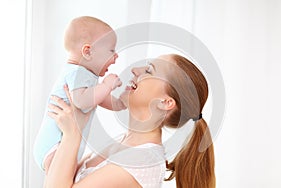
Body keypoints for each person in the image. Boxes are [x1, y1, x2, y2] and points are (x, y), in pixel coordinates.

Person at [44, 54, 215, 188]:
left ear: (165, 102)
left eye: (149, 71)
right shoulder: (124, 141)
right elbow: (58, 178)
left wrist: (72, 135)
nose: (135, 70)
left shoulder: (142, 161)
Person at [33, 16, 126, 172]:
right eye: (111, 50)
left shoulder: (86, 76)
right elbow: (81, 101)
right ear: (88, 52)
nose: (116, 57)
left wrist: (121, 104)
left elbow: (98, 99)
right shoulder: (77, 72)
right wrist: (106, 85)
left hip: (60, 144)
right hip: (54, 145)